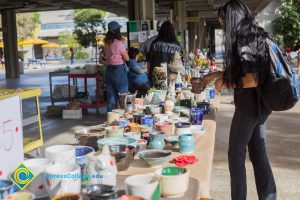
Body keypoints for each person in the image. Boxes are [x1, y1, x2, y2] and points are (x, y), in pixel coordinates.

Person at [200, 1, 276, 199]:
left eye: (222, 20)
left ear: (231, 18)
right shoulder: (256, 33)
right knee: (258, 154)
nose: (222, 24)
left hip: (250, 106)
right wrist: (215, 74)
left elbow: (252, 79)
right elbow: (247, 70)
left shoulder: (245, 38)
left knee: (235, 155)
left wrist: (224, 83)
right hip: (262, 103)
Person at [100, 21, 129, 112]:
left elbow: (102, 58)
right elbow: (126, 58)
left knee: (111, 98)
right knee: (123, 97)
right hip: (119, 70)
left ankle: (111, 119)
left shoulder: (106, 43)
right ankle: (124, 119)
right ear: (118, 31)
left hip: (109, 71)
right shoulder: (119, 43)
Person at [147, 21, 182, 85]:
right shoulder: (177, 45)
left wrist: (149, 75)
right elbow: (179, 62)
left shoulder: (155, 43)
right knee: (172, 92)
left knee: (157, 93)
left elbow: (149, 61)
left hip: (157, 75)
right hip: (172, 76)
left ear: (161, 31)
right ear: (172, 31)